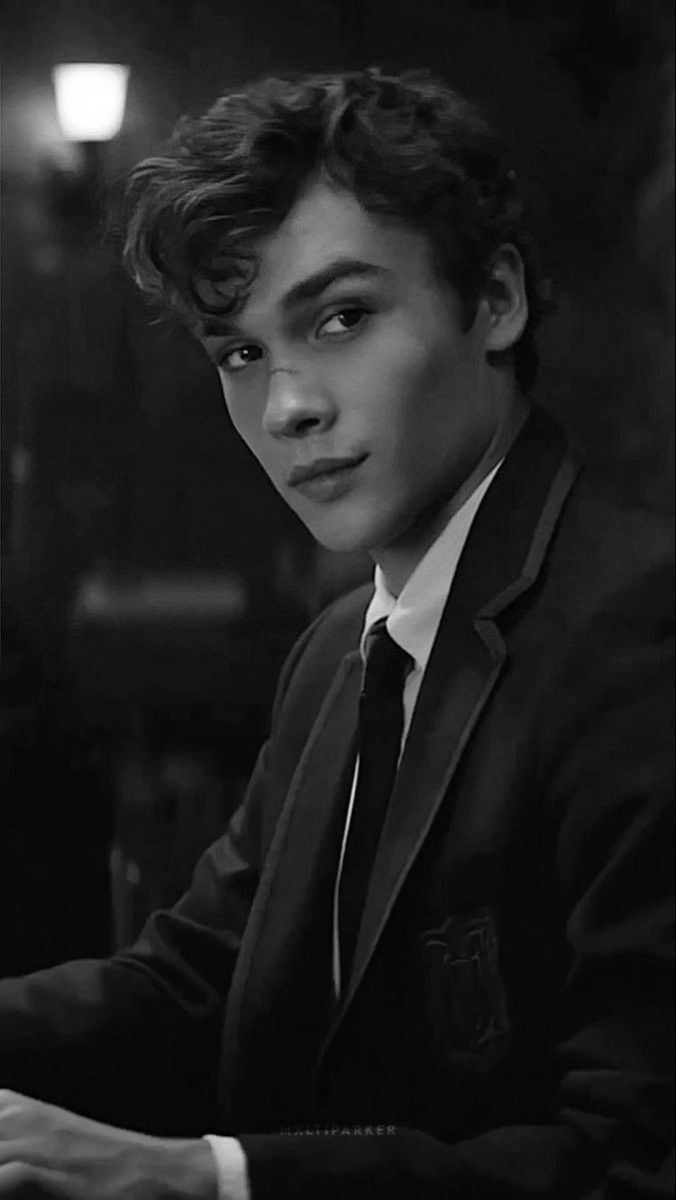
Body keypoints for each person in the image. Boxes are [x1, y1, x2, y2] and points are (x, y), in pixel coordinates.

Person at [0, 67, 673, 1200]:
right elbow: (199, 979)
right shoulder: (333, 655)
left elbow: (633, 1156)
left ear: (495, 300)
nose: (286, 407)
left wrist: (203, 1180)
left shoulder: (639, 628)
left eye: (341, 316)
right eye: (241, 352)